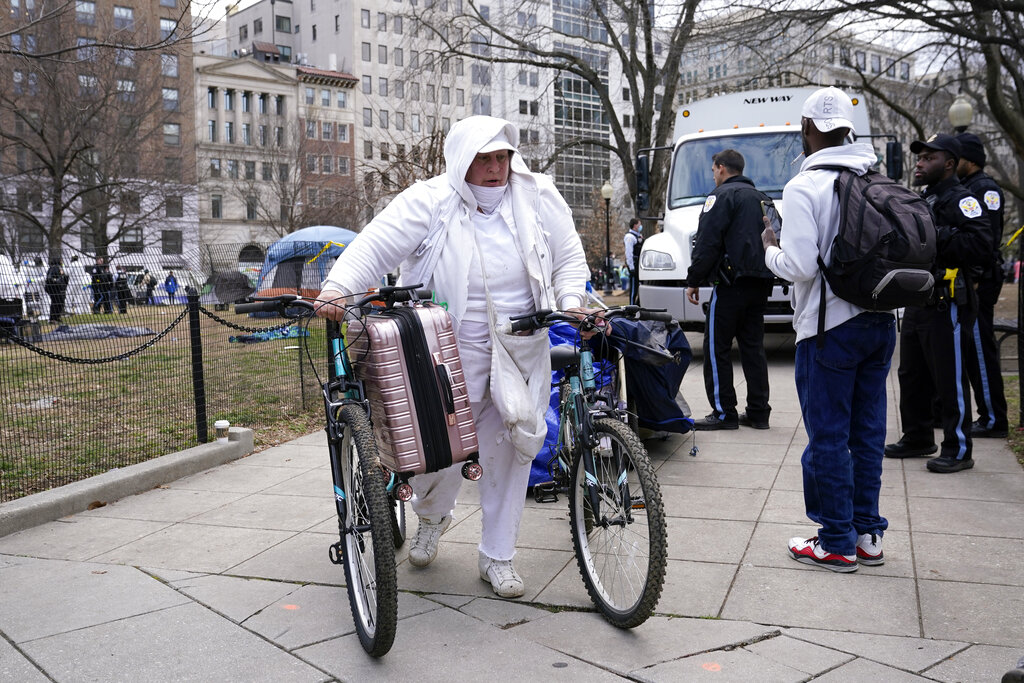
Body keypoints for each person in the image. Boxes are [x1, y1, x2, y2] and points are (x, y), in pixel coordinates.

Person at [314, 116, 592, 598]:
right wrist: (338, 289)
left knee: (512, 447)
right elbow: (375, 247)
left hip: (519, 346)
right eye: (483, 159)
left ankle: (497, 554)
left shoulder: (539, 196)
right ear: (463, 161)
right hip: (445, 350)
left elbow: (569, 258)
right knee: (434, 453)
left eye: (502, 157)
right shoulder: (430, 200)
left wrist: (570, 301)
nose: (495, 168)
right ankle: (431, 517)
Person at [761, 87, 897, 572]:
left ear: (808, 129)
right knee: (867, 433)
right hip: (881, 321)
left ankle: (835, 540)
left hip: (828, 328)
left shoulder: (804, 187)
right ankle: (867, 535)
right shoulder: (875, 176)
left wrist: (768, 248)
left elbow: (798, 266)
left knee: (828, 437)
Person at [884, 133, 991, 473]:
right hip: (919, 299)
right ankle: (918, 437)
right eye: (919, 157)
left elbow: (981, 245)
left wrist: (932, 233)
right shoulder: (925, 199)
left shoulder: (962, 200)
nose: (919, 162)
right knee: (911, 374)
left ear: (948, 163)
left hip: (949, 301)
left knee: (949, 377)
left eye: (928, 157)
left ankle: (958, 448)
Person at [686, 149, 774, 431]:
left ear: (722, 168)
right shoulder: (764, 199)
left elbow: (707, 242)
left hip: (730, 284)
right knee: (753, 349)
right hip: (760, 283)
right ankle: (759, 412)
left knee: (716, 348)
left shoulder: (720, 197)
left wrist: (694, 279)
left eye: (714, 170)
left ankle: (724, 413)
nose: (713, 175)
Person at [956, 132, 1008, 439]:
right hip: (975, 277)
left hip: (981, 280)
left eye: (957, 158)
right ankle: (988, 415)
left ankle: (992, 418)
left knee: (980, 349)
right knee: (973, 349)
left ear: (970, 160)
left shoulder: (984, 189)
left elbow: (985, 240)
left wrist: (973, 277)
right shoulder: (968, 187)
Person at [623, 217, 643, 305]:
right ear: (635, 225)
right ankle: (631, 307)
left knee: (639, 286)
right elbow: (629, 253)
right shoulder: (630, 237)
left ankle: (637, 305)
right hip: (634, 264)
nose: (640, 226)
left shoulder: (638, 235)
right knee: (634, 288)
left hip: (639, 264)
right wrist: (631, 267)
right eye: (639, 224)